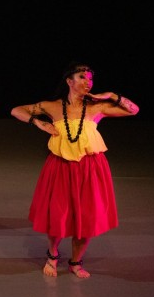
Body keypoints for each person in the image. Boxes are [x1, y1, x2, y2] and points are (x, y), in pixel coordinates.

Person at [11, 62, 139, 278]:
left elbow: (134, 109)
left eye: (90, 78)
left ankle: (76, 261)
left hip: (91, 168)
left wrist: (110, 95)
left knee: (86, 215)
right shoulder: (52, 107)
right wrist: (38, 123)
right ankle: (52, 255)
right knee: (58, 213)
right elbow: (16, 110)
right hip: (60, 167)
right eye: (82, 77)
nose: (87, 82)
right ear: (69, 81)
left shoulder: (97, 108)